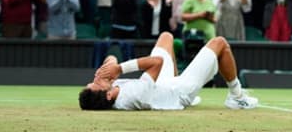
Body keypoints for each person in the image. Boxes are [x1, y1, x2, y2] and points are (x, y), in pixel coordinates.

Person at [79, 32, 258, 110]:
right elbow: (157, 62)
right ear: (108, 95)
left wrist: (108, 68)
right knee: (219, 43)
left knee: (166, 36)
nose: (95, 78)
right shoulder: (133, 96)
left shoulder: (110, 92)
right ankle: (237, 97)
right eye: (96, 83)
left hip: (161, 86)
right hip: (179, 92)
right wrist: (119, 68)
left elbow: (110, 59)